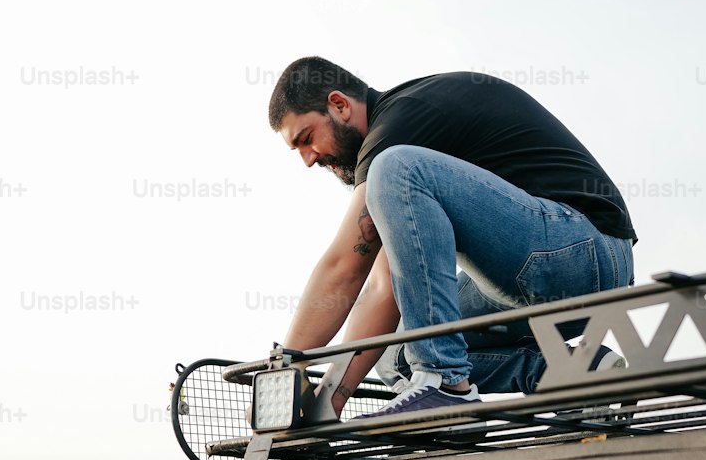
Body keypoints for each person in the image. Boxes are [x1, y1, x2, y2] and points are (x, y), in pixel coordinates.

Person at [268, 57, 637, 420]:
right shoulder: (400, 167)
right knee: (394, 352)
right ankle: (576, 372)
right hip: (549, 280)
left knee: (395, 168)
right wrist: (332, 394)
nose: (308, 159)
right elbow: (385, 290)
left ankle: (445, 385)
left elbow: (344, 267)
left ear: (339, 105)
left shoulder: (400, 126)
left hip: (582, 249)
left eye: (306, 138)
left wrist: (286, 367)